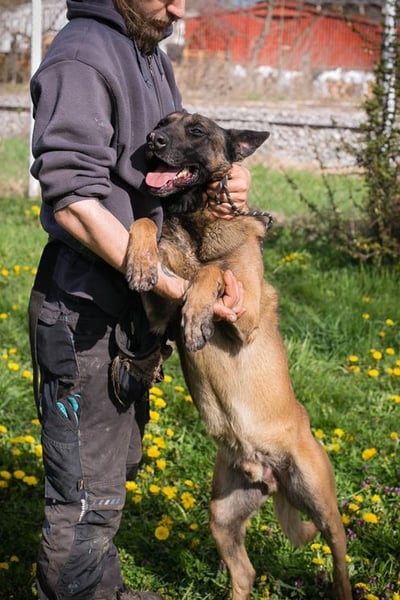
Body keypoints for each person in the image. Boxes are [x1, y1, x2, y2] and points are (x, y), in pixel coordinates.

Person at [29, 1, 251, 599]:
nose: (179, 6)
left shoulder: (147, 48)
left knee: (115, 467)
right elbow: (74, 201)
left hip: (132, 312)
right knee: (85, 491)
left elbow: (168, 159)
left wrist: (226, 175)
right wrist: (172, 287)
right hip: (84, 308)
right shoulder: (83, 57)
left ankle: (101, 590)